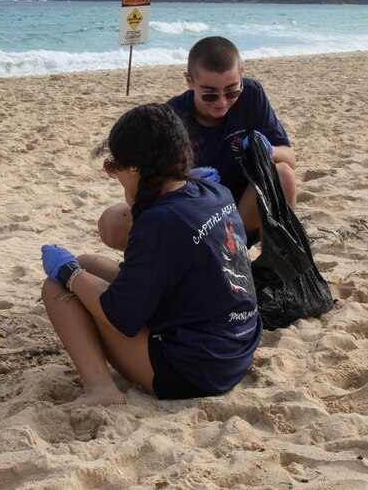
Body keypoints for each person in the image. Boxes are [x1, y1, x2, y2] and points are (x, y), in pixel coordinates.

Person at [40, 103, 261, 406]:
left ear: (134, 169)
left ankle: (101, 388)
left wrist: (70, 275)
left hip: (196, 369)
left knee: (56, 288)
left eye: (117, 166)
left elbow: (121, 315)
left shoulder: (157, 223)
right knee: (87, 261)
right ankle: (77, 272)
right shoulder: (213, 191)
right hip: (239, 345)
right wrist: (80, 269)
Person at [98, 36, 296, 249]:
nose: (221, 102)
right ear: (189, 81)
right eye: (210, 95)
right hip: (198, 222)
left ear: (241, 76)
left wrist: (267, 150)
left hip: (245, 214)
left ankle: (277, 270)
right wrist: (184, 181)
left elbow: (289, 159)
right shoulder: (172, 117)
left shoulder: (252, 95)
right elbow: (135, 195)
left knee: (282, 173)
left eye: (232, 91)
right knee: (111, 222)